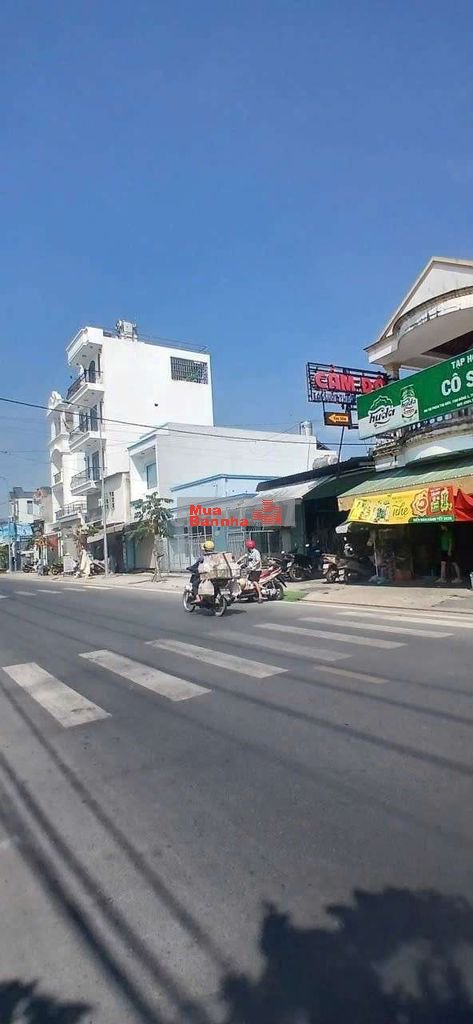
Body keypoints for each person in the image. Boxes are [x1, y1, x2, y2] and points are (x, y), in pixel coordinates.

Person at [244, 538, 263, 602]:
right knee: (248, 581)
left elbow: (258, 561)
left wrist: (253, 565)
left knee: (254, 582)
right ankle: (250, 596)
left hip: (257, 570)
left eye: (247, 547)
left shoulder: (256, 552)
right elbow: (245, 558)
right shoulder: (250, 553)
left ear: (249, 547)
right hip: (252, 570)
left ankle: (260, 596)